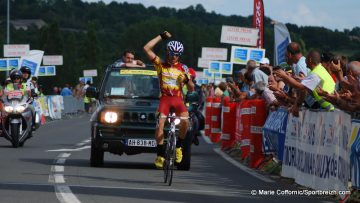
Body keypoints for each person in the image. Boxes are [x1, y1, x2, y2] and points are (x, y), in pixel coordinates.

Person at [143, 31, 194, 169]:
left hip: (178, 100)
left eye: (176, 54)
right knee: (160, 125)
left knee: (185, 122)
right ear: (167, 53)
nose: (174, 57)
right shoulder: (160, 64)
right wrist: (161, 36)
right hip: (165, 99)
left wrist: (187, 79)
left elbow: (191, 89)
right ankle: (160, 155)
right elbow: (146, 48)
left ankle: (178, 147)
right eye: (171, 54)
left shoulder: (183, 68)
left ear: (180, 55)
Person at [274, 49, 336, 116]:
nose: (304, 61)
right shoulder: (318, 70)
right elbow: (305, 87)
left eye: (306, 59)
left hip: (329, 109)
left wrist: (285, 76)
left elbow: (301, 87)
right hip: (328, 107)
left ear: (310, 60)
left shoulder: (316, 73)